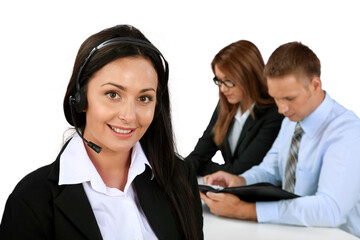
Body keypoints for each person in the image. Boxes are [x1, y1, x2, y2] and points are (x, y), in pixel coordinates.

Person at [0, 25, 203, 240]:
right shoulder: (31, 200)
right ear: (80, 98)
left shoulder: (179, 176)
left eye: (144, 98)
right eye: (113, 94)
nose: (130, 115)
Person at [200, 41, 360, 237]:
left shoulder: (347, 131)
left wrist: (246, 211)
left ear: (315, 85)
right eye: (276, 98)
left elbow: (330, 209)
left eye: (289, 98)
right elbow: (270, 169)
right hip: (292, 231)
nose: (281, 108)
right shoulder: (292, 119)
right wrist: (240, 181)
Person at [185, 40, 283, 176]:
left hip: (258, 194)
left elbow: (240, 171)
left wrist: (202, 168)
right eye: (219, 80)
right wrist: (180, 170)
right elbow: (199, 155)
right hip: (229, 191)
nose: (223, 88)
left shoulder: (274, 113)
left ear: (249, 76)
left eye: (228, 80)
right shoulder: (225, 105)